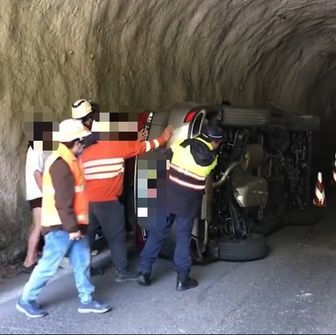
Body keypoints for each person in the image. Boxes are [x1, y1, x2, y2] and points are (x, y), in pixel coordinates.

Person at [71, 99, 174, 282]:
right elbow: (143, 147)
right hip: (108, 201)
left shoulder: (82, 149)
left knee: (87, 236)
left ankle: (83, 269)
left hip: (86, 200)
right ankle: (122, 271)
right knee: (116, 236)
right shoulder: (115, 144)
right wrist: (163, 139)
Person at [16, 118, 110, 318]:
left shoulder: (68, 159)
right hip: (61, 228)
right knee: (48, 266)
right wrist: (72, 229)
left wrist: (77, 227)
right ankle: (26, 300)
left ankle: (87, 299)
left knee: (82, 261)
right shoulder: (61, 164)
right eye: (82, 141)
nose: (84, 144)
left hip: (72, 226)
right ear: (75, 143)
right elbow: (63, 201)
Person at [136, 124, 224, 291]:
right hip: (188, 203)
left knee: (157, 232)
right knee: (183, 238)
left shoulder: (183, 145)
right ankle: (182, 280)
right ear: (214, 142)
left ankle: (144, 271)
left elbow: (166, 156)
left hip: (167, 196)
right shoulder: (212, 159)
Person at [22, 141, 46, 272]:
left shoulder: (33, 148)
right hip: (39, 193)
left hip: (34, 192)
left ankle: (32, 255)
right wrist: (46, 193)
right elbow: (37, 173)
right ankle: (29, 260)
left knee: (35, 225)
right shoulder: (38, 149)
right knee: (39, 226)